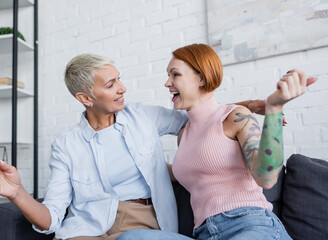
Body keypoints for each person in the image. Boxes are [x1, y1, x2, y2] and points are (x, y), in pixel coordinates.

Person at [0, 53, 267, 240]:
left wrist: (245, 106)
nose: (122, 88)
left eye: (119, 78)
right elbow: (51, 218)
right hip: (87, 229)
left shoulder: (142, 116)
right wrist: (17, 193)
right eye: (111, 84)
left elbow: (202, 115)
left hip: (143, 225)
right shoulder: (66, 146)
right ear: (85, 98)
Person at [117, 44, 317, 240]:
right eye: (168, 75)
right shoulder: (184, 134)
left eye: (175, 74)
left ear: (201, 78)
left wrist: (274, 108)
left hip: (250, 224)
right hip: (205, 234)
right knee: (132, 237)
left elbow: (267, 178)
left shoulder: (235, 117)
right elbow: (194, 155)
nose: (167, 83)